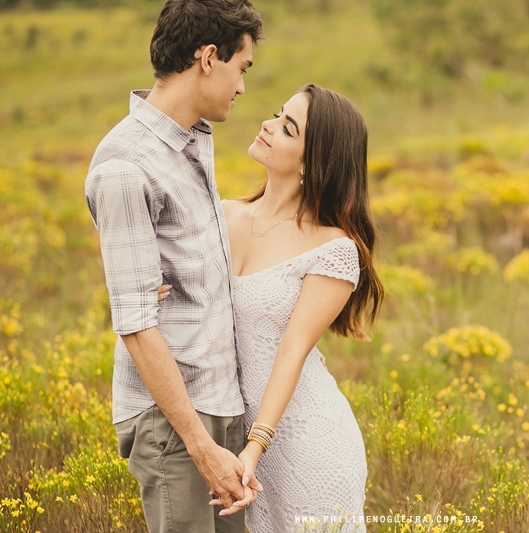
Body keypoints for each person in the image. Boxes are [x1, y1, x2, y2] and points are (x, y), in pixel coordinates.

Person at [84, 1, 263, 532]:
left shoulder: (190, 141)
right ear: (209, 58)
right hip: (177, 423)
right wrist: (199, 444)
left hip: (219, 405)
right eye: (241, 68)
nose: (242, 86)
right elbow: (136, 323)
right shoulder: (126, 165)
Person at [190, 84, 383, 532]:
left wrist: (255, 446)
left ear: (312, 163)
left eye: (287, 127)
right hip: (231, 436)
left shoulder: (333, 248)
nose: (267, 125)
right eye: (278, 114)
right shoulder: (223, 215)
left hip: (307, 443)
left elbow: (292, 350)